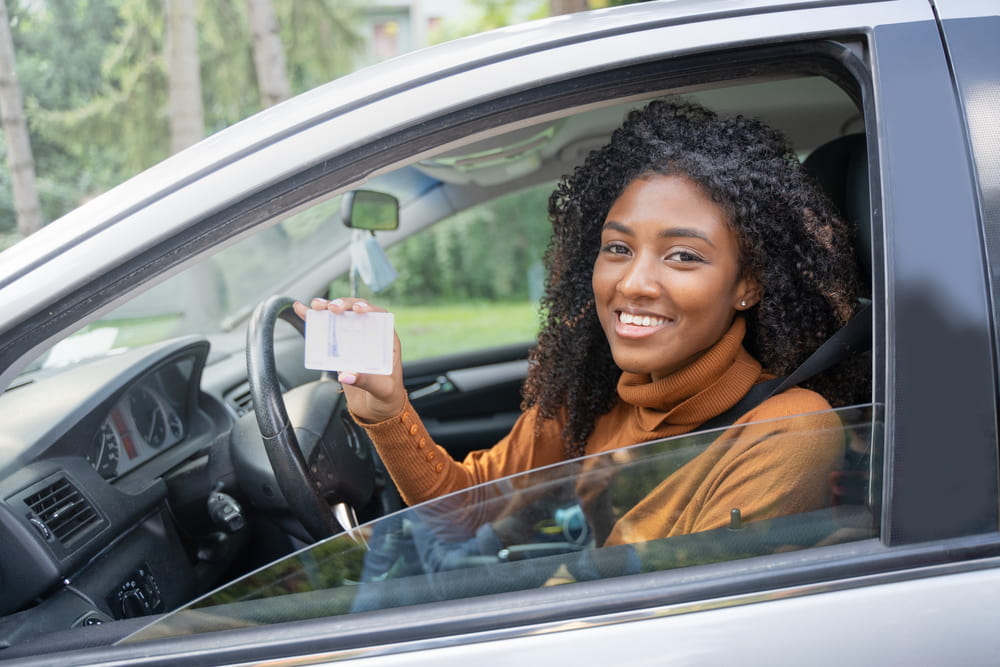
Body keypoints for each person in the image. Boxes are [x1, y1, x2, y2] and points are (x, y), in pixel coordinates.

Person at [294, 98, 868, 550]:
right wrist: (388, 413)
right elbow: (465, 515)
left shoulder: (789, 432)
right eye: (618, 247)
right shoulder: (591, 398)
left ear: (748, 284)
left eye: (683, 256)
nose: (634, 282)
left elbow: (672, 624)